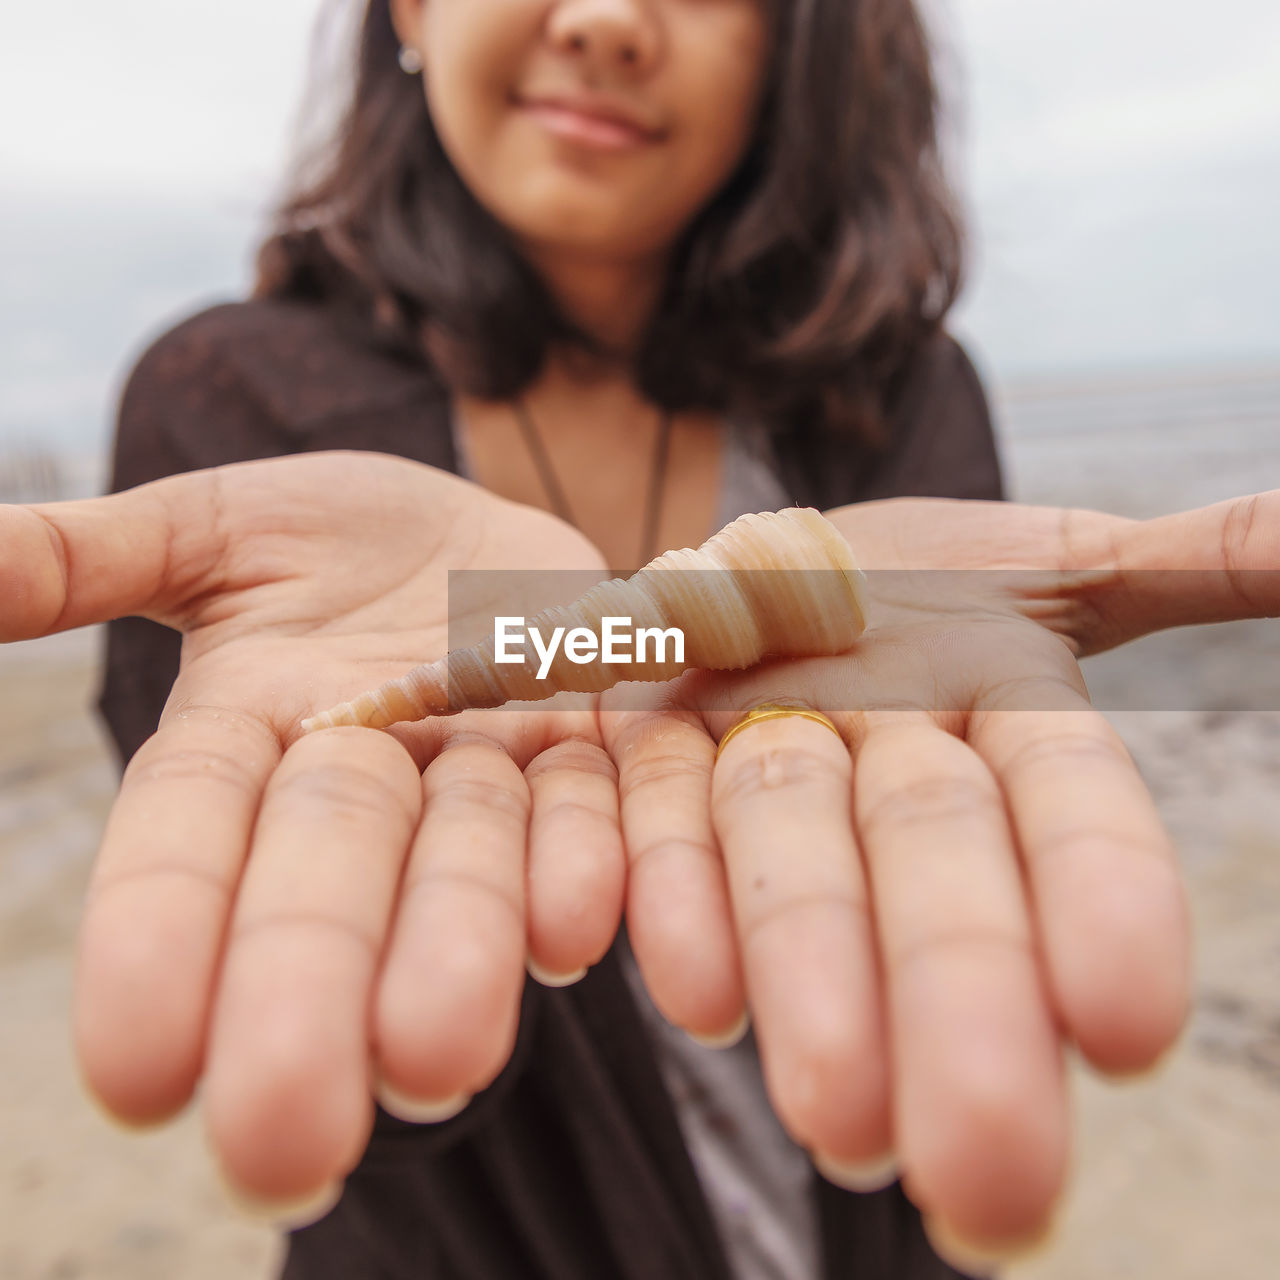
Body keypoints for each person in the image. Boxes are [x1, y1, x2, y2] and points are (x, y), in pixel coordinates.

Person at [31, 0, 1263, 1275]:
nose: (609, 19)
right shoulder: (234, 396)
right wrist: (367, 1029)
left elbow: (932, 956)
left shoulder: (895, 386)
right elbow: (289, 974)